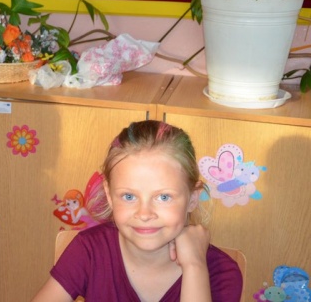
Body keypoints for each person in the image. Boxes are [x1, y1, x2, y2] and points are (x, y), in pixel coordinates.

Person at [32, 120, 242, 302]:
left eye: (163, 197)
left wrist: (194, 266)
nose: (144, 214)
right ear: (109, 194)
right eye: (129, 196)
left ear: (192, 198)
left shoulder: (221, 271)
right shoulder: (89, 251)